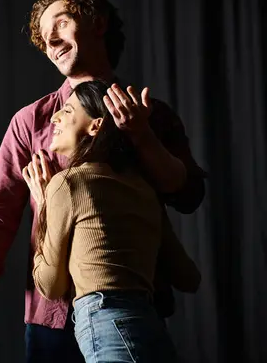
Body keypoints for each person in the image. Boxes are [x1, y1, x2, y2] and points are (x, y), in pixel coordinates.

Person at [0, 0, 206, 362]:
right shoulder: (30, 121)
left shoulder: (153, 115)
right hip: (51, 318)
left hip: (133, 307)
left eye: (61, 22)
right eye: (43, 36)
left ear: (97, 23)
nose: (51, 41)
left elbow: (187, 194)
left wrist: (142, 135)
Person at [24, 79, 201, 363]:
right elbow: (189, 277)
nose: (55, 117)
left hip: (107, 322)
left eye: (67, 111)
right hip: (151, 326)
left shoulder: (68, 183)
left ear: (95, 126)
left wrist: (44, 205)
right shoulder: (144, 188)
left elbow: (50, 286)